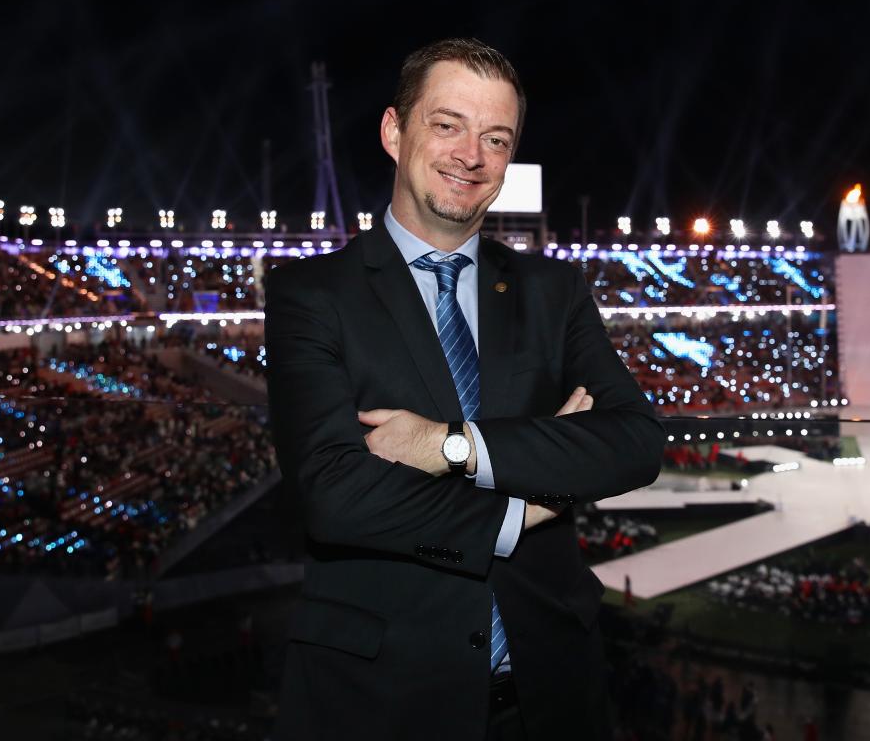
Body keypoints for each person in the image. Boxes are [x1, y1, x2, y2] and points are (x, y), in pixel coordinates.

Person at [266, 38, 664, 740]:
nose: (470, 155)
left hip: (552, 697)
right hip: (379, 701)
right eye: (447, 124)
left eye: (496, 137)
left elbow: (634, 442)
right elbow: (335, 496)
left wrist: (454, 447)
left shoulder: (554, 290)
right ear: (395, 131)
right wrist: (531, 504)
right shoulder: (312, 295)